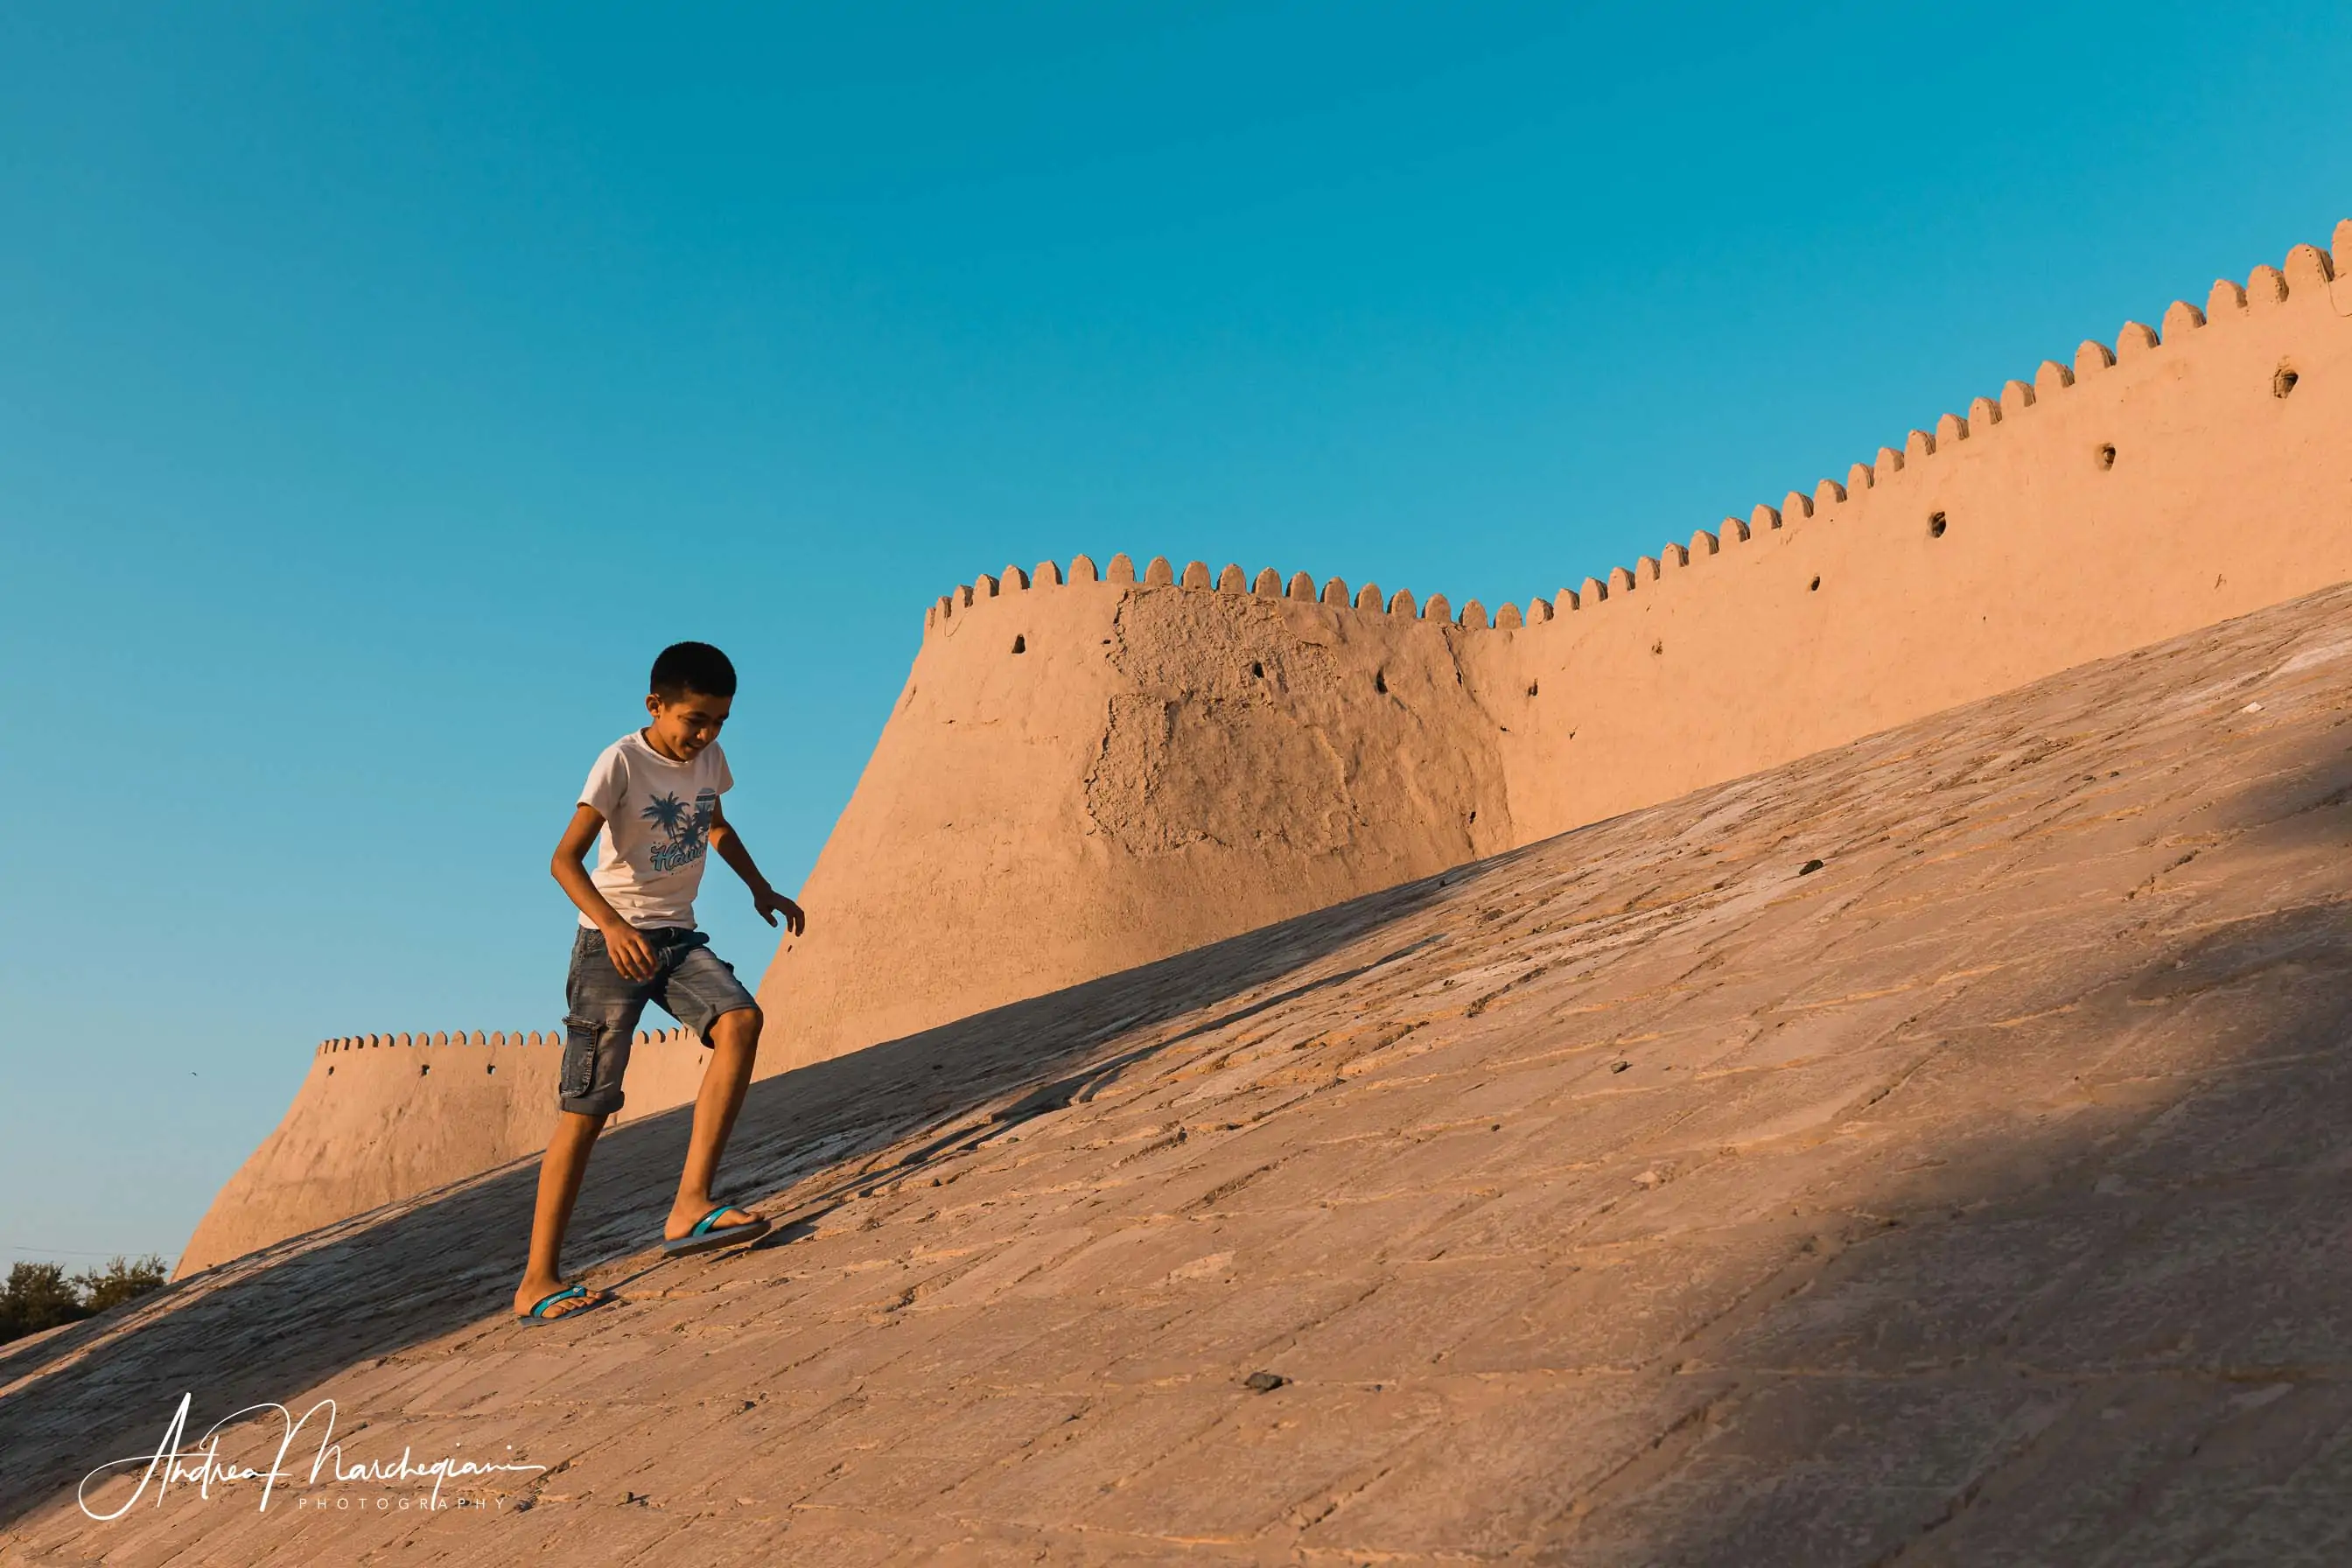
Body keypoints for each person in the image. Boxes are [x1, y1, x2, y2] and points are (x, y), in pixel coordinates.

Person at [513, 641, 804, 1322]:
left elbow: (717, 826)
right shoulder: (620, 760)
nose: (704, 735)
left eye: (719, 723)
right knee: (586, 1110)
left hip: (676, 941)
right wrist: (613, 929)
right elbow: (563, 861)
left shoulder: (708, 760)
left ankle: (691, 1206)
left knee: (741, 1022)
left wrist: (761, 889)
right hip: (610, 950)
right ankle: (537, 1280)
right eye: (694, 720)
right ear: (656, 705)